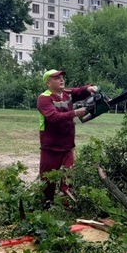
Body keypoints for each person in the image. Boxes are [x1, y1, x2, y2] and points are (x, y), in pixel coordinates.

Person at [37, 69, 98, 205]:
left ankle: (67, 208)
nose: (62, 80)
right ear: (48, 82)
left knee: (69, 179)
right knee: (48, 182)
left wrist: (90, 88)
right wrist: (75, 112)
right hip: (50, 147)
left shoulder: (67, 94)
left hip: (67, 146)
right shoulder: (44, 99)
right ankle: (46, 206)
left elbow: (80, 91)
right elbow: (53, 117)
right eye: (57, 78)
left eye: (62, 77)